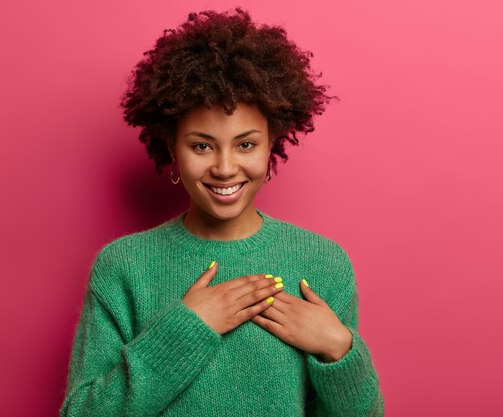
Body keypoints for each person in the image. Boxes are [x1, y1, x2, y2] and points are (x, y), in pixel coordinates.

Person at [60, 7, 384, 417]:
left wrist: (339, 350)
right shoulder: (123, 266)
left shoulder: (323, 263)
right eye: (201, 145)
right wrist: (187, 330)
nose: (225, 167)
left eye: (246, 144)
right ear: (171, 147)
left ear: (272, 145)